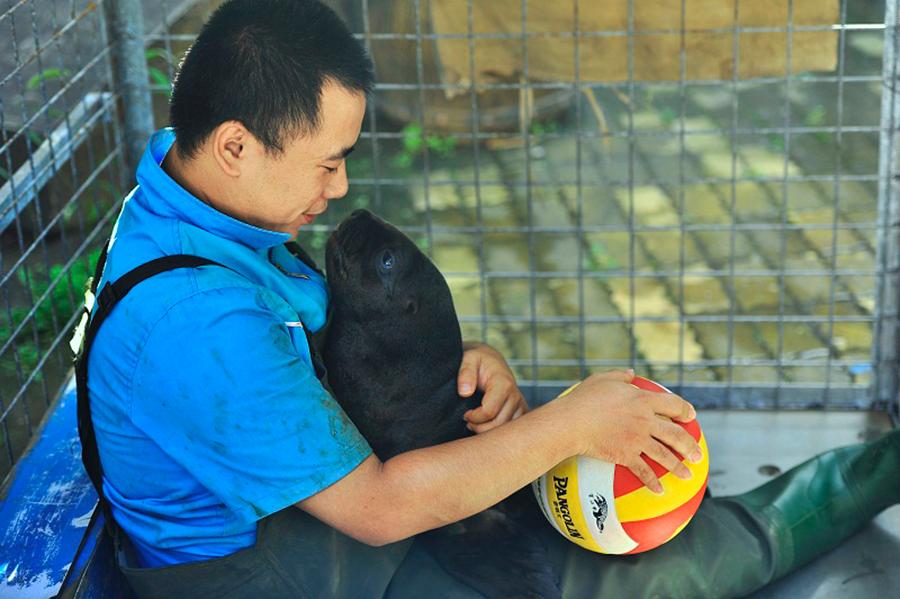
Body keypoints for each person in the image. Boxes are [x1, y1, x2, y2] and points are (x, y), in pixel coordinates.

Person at [81, 0, 899, 597]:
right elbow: (377, 508)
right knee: (654, 572)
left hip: (339, 524)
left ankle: (866, 473)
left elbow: (309, 378)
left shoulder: (199, 193)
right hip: (297, 569)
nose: (342, 186)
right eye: (327, 163)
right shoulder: (194, 323)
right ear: (234, 145)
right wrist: (567, 425)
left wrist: (467, 369)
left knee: (620, 519)